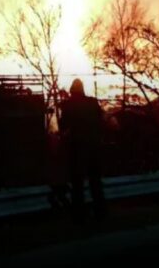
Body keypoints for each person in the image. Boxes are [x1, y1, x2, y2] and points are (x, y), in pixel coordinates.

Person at [59, 78, 105, 223]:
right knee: (95, 182)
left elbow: (63, 126)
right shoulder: (92, 103)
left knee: (77, 184)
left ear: (72, 91)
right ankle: (100, 212)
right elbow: (100, 121)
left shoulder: (68, 105)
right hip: (94, 147)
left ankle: (79, 214)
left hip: (77, 148)